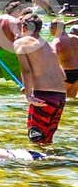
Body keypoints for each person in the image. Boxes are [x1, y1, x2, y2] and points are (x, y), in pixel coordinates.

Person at [14, 13, 67, 144]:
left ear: (24, 27)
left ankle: (39, 165)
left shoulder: (21, 43)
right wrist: (30, 87)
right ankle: (51, 163)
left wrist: (28, 95)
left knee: (36, 137)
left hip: (44, 96)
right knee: (47, 140)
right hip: (60, 97)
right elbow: (63, 74)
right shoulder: (47, 44)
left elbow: (26, 71)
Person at [53, 17, 78, 99]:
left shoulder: (57, 41)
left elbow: (52, 58)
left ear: (55, 28)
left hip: (67, 73)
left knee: (57, 98)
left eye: (51, 28)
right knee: (71, 98)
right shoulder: (76, 38)